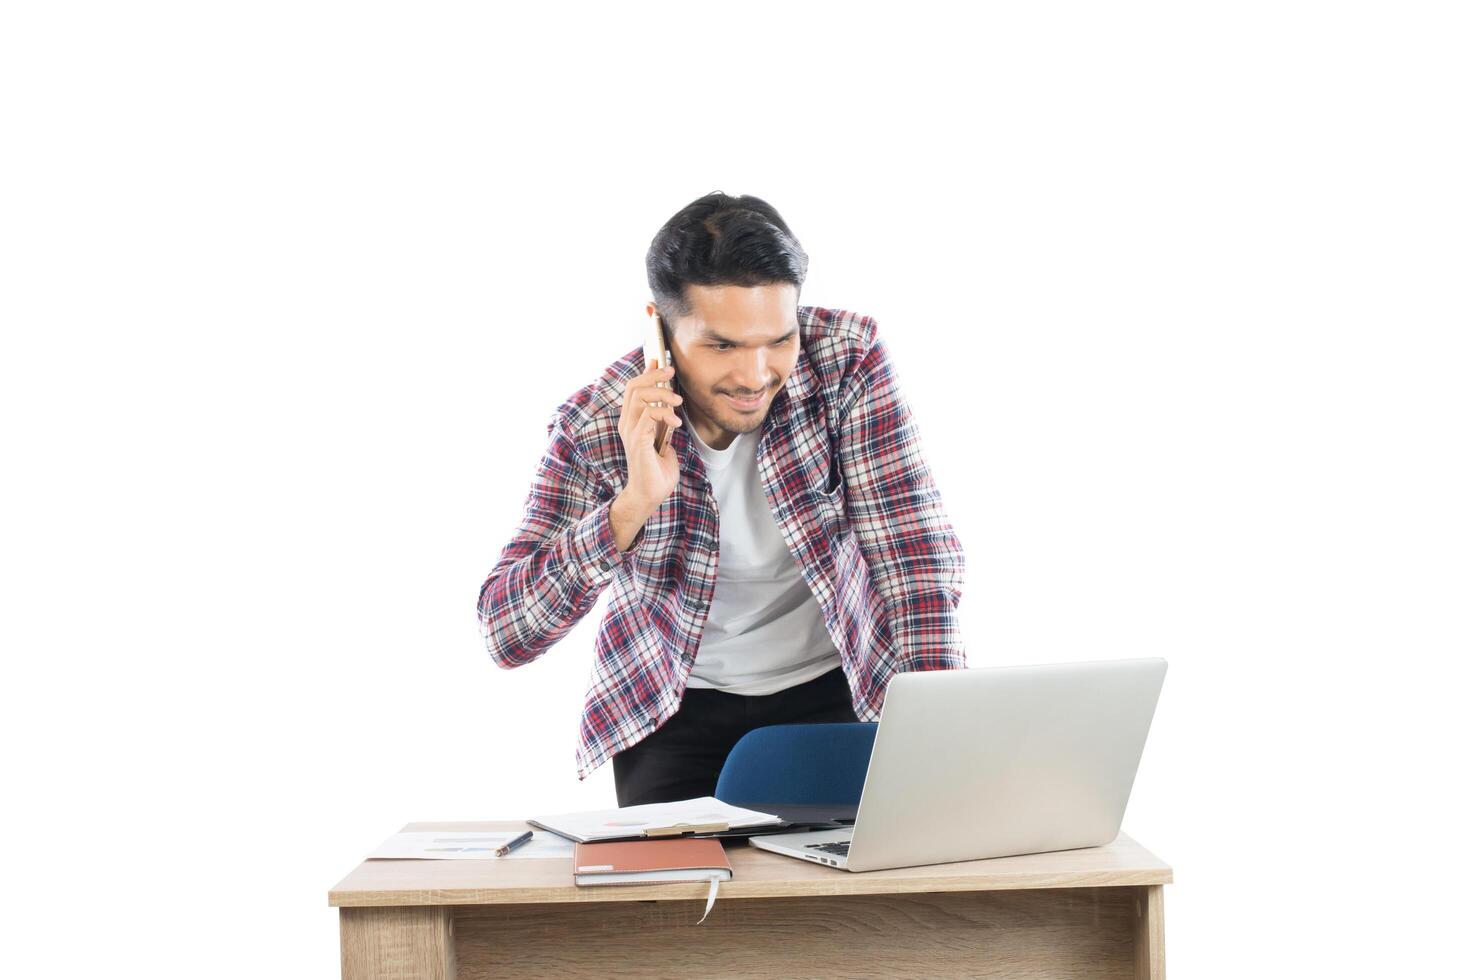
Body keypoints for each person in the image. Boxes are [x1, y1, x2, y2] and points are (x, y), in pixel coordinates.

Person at [478, 191, 966, 805]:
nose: (756, 374)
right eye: (722, 346)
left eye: (777, 340)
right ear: (658, 329)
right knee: (674, 900)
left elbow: (912, 558)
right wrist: (630, 505)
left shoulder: (847, 361)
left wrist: (940, 736)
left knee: (845, 894)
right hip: (670, 708)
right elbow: (506, 631)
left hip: (829, 688)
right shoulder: (596, 425)